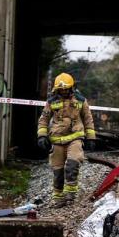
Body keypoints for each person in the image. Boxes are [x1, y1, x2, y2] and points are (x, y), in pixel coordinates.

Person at [36, 73, 96, 207]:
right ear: (57, 89)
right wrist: (42, 136)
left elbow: (88, 119)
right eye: (61, 89)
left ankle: (70, 194)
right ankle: (58, 197)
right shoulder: (51, 102)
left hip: (75, 137)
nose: (63, 91)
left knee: (72, 164)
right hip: (57, 139)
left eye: (66, 89)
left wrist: (91, 137)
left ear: (71, 88)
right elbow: (44, 119)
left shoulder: (80, 100)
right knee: (58, 171)